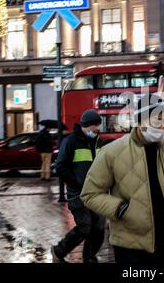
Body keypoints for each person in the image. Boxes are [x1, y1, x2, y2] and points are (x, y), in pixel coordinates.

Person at [81, 94, 164, 265]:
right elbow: (90, 194)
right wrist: (121, 209)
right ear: (141, 121)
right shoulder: (112, 151)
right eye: (158, 119)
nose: (163, 126)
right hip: (129, 246)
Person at [51, 109, 105, 263]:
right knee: (85, 227)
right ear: (85, 126)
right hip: (78, 194)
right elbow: (60, 167)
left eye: (98, 128)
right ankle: (58, 251)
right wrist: (77, 183)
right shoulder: (70, 142)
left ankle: (89, 256)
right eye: (94, 128)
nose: (97, 131)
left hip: (97, 193)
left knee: (99, 227)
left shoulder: (97, 141)